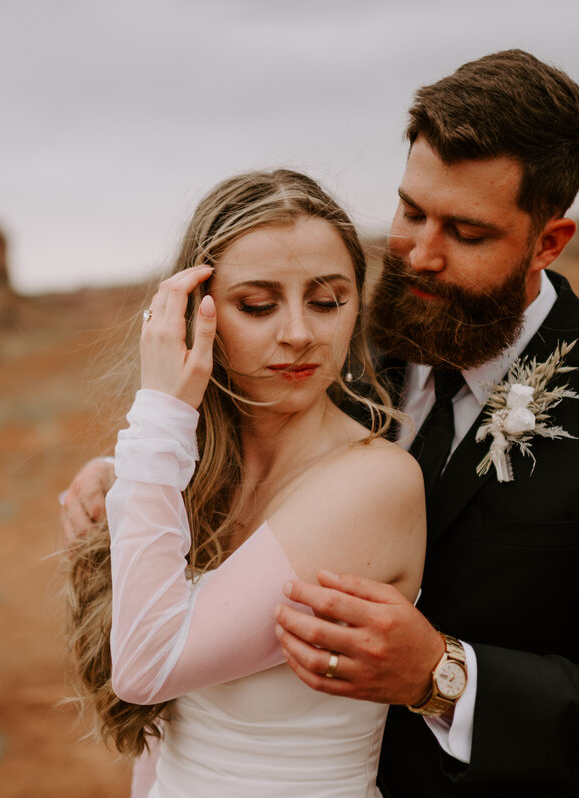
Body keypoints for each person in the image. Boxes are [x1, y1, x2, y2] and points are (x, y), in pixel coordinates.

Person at [62, 50, 579, 797]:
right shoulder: (336, 344)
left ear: (548, 242)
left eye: (467, 233)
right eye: (411, 211)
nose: (418, 254)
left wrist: (442, 676)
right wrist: (126, 485)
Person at [64, 169, 426, 797]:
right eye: (258, 305)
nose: (298, 334)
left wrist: (158, 415)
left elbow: (148, 670)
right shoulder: (189, 471)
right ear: (193, 316)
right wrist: (123, 475)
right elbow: (161, 736)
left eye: (327, 300)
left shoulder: (376, 483)